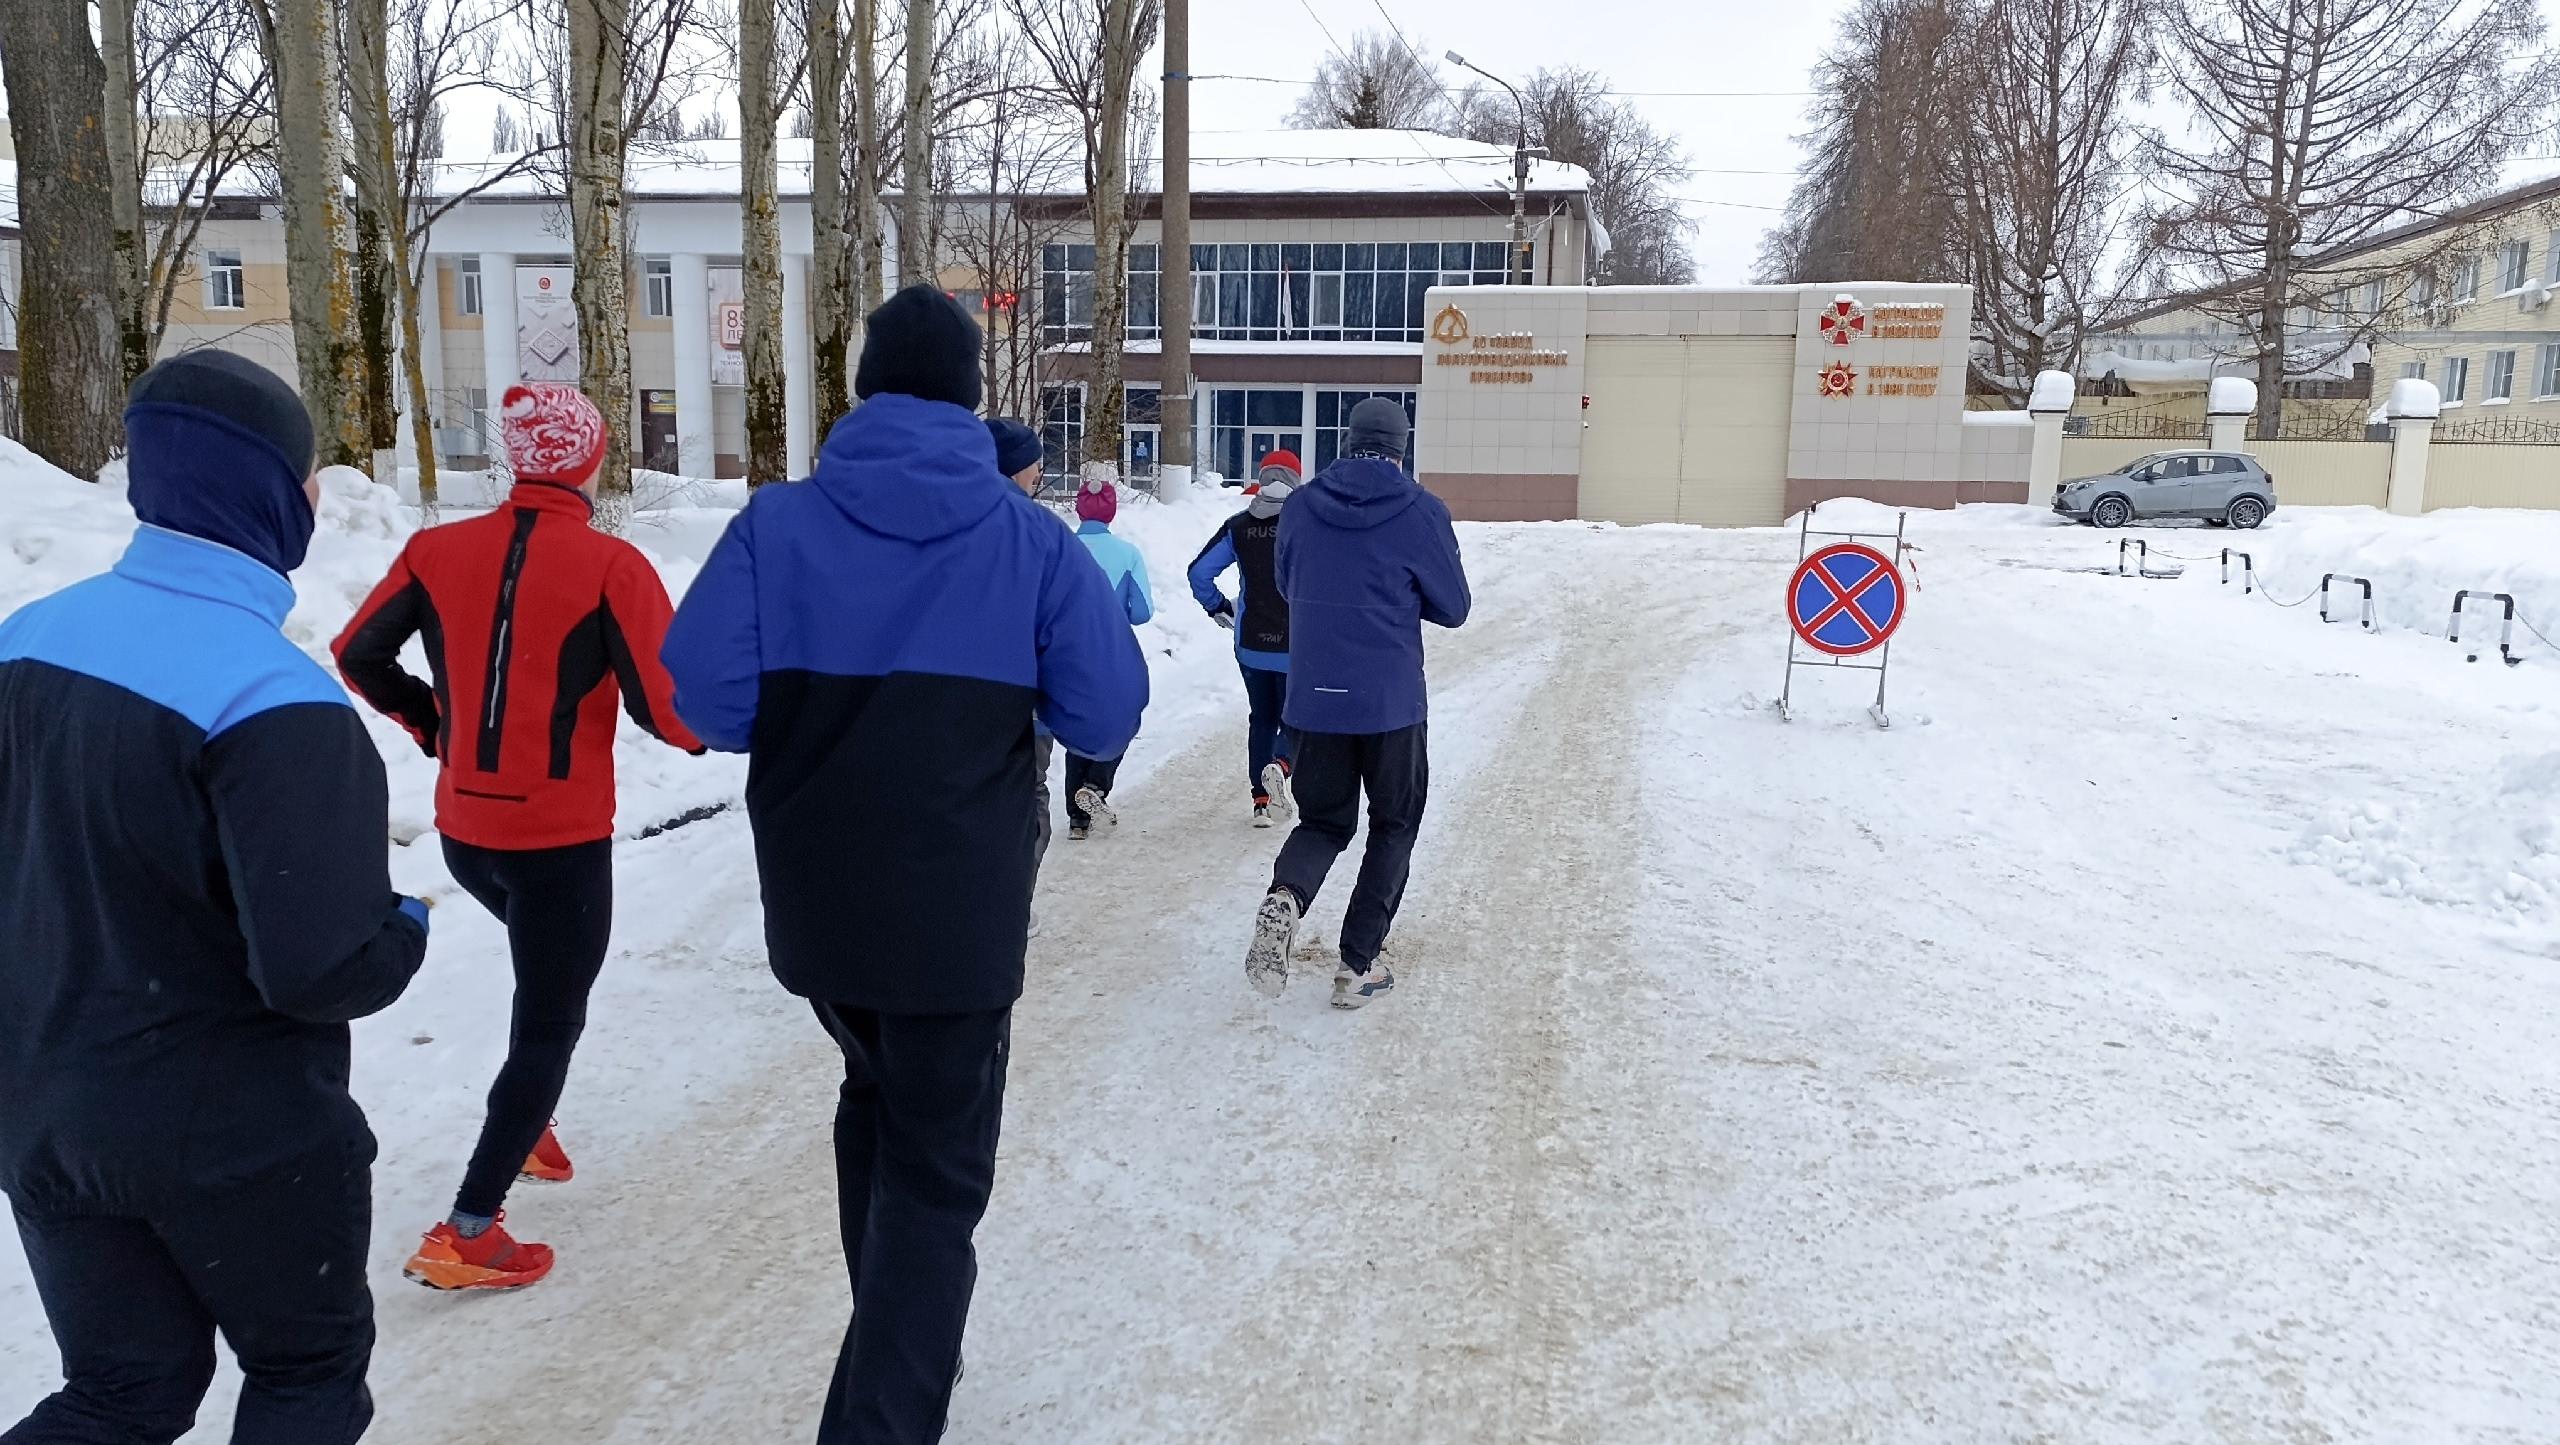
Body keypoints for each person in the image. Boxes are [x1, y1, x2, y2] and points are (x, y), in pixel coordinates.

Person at [663, 285, 1148, 1445]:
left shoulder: (776, 527)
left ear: (865, 388)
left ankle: (898, 1331)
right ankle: (891, 1387)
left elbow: (703, 700)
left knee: (873, 1092)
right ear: (972, 399)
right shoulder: (1027, 537)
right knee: (935, 1181)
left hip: (822, 915)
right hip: (958, 922)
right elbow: (1106, 708)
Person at [0, 351, 432, 1444]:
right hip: (237, 1135)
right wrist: (406, 927)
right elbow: (321, 964)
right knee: (306, 1370)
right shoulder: (272, 696)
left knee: (122, 1388)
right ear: (270, 496)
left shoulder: (22, 642)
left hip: (42, 1109)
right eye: (307, 481)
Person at [332, 381, 703, 1292]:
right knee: (551, 1017)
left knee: (541, 982)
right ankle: (469, 1228)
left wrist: (439, 730)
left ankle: (526, 1116)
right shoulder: (612, 567)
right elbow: (671, 713)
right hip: (560, 841)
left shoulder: (434, 550)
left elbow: (356, 653)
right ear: (588, 460)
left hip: (469, 832)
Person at [1243, 400, 1468, 1009]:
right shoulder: (1421, 511)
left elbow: (1289, 586)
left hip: (1313, 697)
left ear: (1348, 442)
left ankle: (1285, 898)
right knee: (1394, 824)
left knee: (1323, 821)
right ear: (1402, 447)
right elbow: (1454, 606)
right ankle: (1355, 966)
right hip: (1390, 702)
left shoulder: (1303, 506)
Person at [1188, 451, 1300, 827]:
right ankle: (1282, 766)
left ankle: (1261, 801)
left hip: (1251, 646)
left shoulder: (1238, 526)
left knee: (1262, 719)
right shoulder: (1307, 527)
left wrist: (1217, 606)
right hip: (1296, 647)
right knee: (1297, 720)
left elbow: (1199, 572)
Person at [1062, 476, 1154, 841]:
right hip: (1110, 653)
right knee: (1123, 718)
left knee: (1075, 726)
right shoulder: (1128, 554)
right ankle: (1096, 785)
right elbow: (1143, 611)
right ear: (1112, 513)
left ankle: (1076, 818)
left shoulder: (1061, 546)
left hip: (1066, 652)